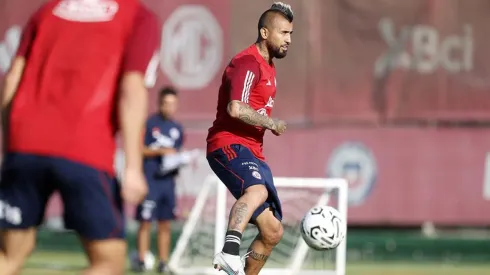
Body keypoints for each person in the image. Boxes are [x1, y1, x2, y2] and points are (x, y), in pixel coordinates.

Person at [0, 0, 159, 274]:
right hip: (85, 148)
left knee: (10, 255)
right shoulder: (138, 16)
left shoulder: (49, 10)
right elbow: (132, 87)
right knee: (108, 262)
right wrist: (133, 167)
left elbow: (13, 78)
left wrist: (11, 148)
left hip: (23, 145)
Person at [206, 2, 293, 275]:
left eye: (291, 34)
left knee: (273, 232)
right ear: (265, 33)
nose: (288, 40)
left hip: (253, 152)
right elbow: (236, 107)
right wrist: (271, 123)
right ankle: (230, 251)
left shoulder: (269, 67)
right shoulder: (247, 62)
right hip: (229, 144)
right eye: (283, 33)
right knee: (257, 191)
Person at [133, 87, 197, 273]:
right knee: (145, 221)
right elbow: (140, 149)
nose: (168, 107)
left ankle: (163, 261)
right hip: (149, 180)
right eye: (165, 103)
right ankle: (142, 259)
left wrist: (181, 160)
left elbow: (175, 154)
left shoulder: (177, 128)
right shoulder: (149, 124)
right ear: (159, 102)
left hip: (167, 183)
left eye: (172, 104)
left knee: (165, 223)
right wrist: (160, 151)